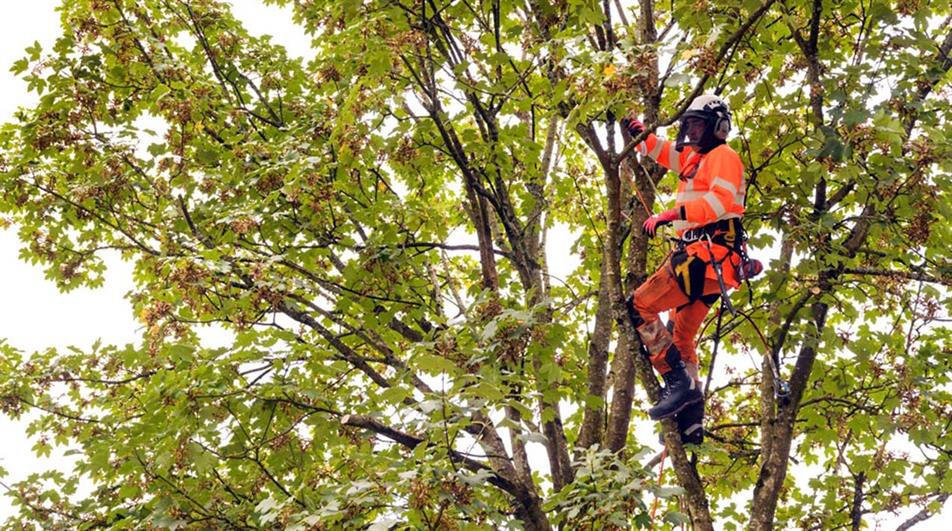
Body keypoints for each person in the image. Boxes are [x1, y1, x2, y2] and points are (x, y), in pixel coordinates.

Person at [621, 94, 762, 443]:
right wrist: (636, 131)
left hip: (705, 256)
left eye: (698, 126)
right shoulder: (694, 159)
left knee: (638, 305)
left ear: (718, 128)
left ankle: (676, 381)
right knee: (682, 335)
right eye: (690, 127)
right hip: (709, 266)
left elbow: (719, 202)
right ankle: (691, 417)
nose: (692, 133)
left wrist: (671, 215)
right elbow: (664, 151)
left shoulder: (723, 157)